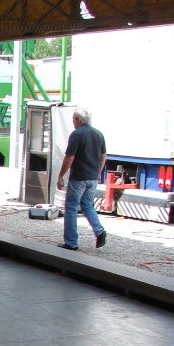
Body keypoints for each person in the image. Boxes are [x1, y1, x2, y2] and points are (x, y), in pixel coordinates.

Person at [56, 107, 107, 250]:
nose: (72, 122)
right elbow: (103, 156)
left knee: (71, 207)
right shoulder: (98, 134)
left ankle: (71, 242)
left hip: (79, 177)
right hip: (92, 178)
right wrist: (98, 172)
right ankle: (99, 231)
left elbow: (69, 157)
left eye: (73, 119)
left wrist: (61, 175)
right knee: (87, 205)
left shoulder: (76, 135)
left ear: (78, 120)